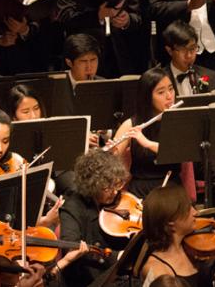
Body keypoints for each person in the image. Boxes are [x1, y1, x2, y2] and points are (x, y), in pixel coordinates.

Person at [58, 148, 131, 285]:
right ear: (93, 185)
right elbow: (71, 246)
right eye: (108, 188)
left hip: (116, 272)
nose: (115, 192)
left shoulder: (115, 199)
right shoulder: (72, 207)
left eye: (117, 185)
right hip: (89, 276)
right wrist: (116, 257)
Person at [111, 68, 182, 198]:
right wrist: (112, 152)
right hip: (140, 190)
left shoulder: (178, 121)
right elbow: (112, 160)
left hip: (171, 188)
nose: (169, 96)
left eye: (171, 89)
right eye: (161, 92)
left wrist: (147, 143)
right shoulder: (131, 124)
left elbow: (177, 152)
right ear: (147, 97)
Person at [139, 185, 204, 286]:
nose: (195, 212)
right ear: (171, 222)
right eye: (188, 209)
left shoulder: (193, 248)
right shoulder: (156, 271)